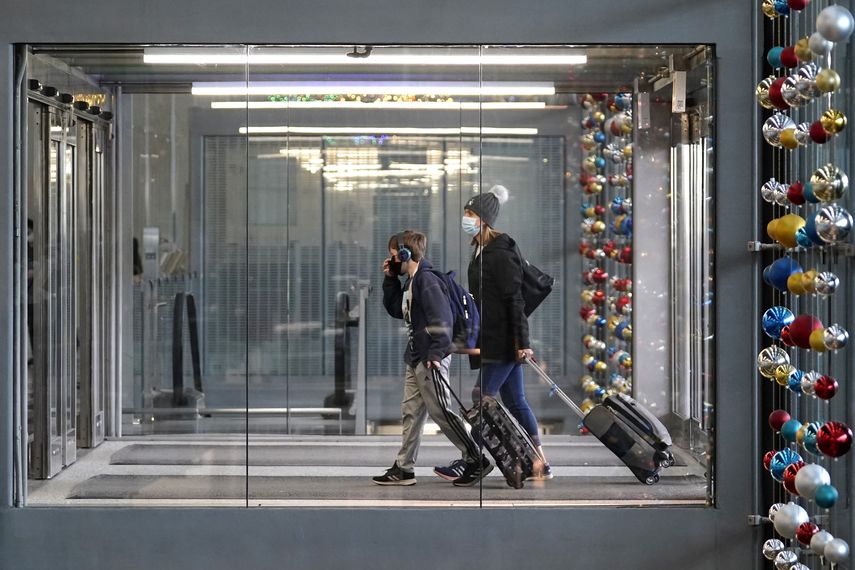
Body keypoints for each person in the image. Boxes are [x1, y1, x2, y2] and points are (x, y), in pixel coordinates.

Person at [372, 230, 492, 487]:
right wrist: (391, 279)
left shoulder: (427, 280)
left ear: (405, 254)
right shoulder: (413, 281)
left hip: (430, 358)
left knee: (442, 412)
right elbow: (396, 310)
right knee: (411, 413)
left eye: (394, 256)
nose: (391, 259)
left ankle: (475, 459)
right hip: (416, 357)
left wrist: (436, 353)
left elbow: (443, 320)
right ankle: (404, 468)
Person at [459, 185, 552, 480]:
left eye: (471, 213)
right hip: (494, 336)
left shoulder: (501, 251)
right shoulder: (480, 249)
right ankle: (541, 463)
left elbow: (515, 299)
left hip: (504, 339)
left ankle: (472, 459)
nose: (466, 217)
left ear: (485, 219)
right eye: (466, 212)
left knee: (481, 396)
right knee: (515, 401)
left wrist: (523, 342)